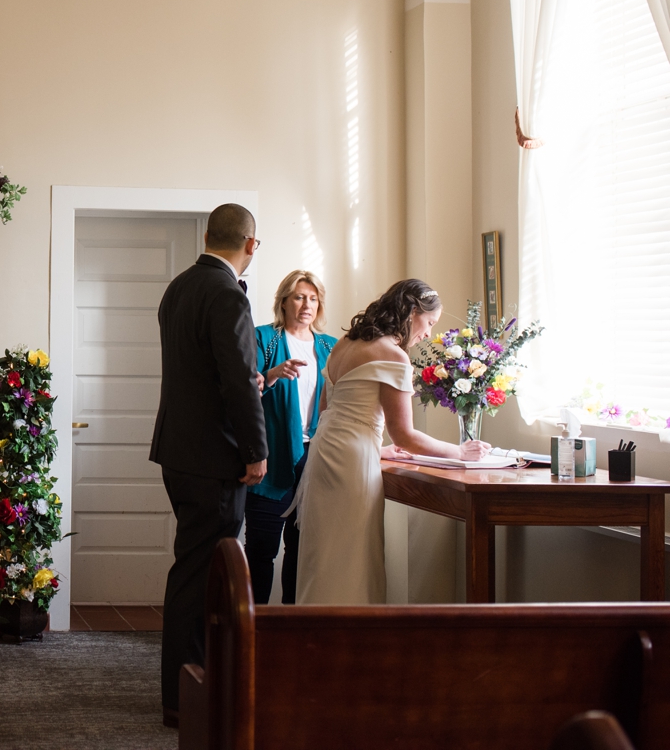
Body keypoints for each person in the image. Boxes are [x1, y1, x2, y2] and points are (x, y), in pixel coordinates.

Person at [293, 279, 491, 605]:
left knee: (324, 552)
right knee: (353, 555)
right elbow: (405, 436)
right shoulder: (393, 356)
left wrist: (375, 446)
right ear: (412, 312)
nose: (428, 333)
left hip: (326, 454)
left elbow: (329, 410)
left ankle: (315, 638)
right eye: (429, 323)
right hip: (353, 465)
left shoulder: (345, 344)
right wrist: (459, 451)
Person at [149, 203, 266, 729]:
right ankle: (185, 698)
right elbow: (237, 380)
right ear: (250, 245)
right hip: (215, 456)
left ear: (206, 235)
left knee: (192, 570)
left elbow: (202, 372)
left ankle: (184, 692)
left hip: (180, 450)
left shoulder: (178, 288)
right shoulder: (226, 292)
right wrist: (255, 450)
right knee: (200, 576)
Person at [245, 270, 336, 605]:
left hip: (317, 460)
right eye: (299, 297)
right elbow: (245, 392)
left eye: (313, 299)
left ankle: (290, 628)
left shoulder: (330, 346)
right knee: (261, 551)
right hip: (273, 459)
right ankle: (252, 629)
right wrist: (272, 374)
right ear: (283, 302)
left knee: (302, 551)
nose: (306, 305)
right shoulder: (264, 338)